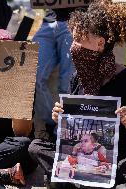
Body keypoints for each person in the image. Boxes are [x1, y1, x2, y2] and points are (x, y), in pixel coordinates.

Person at [29, 1, 126, 188]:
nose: (73, 47)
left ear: (100, 43)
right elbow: (69, 129)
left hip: (120, 159)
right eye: (73, 39)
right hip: (81, 159)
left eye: (79, 40)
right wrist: (60, 117)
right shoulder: (77, 78)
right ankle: (82, 176)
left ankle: (80, 178)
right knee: (36, 147)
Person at [33, 4, 88, 140]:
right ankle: (52, 122)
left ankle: (63, 129)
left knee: (67, 82)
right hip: (49, 21)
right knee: (34, 76)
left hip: (75, 21)